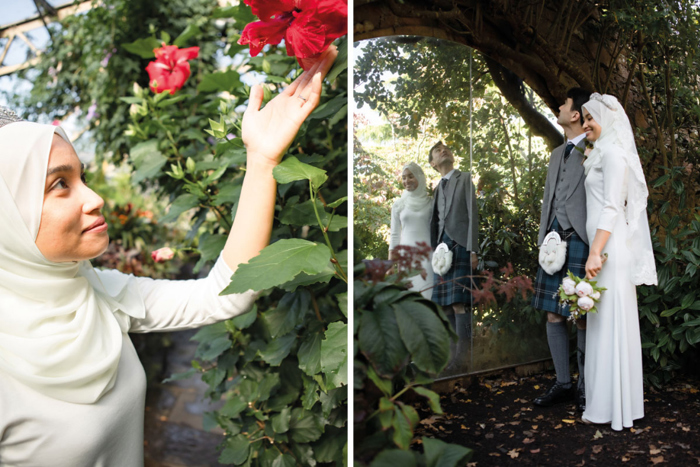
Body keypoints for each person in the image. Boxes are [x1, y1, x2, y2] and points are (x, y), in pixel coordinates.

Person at [0, 48, 337, 466]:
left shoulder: (96, 292)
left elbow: (225, 294)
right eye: (59, 185)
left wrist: (262, 160)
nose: (96, 198)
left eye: (81, 176)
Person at [579, 93, 657, 430]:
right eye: (582, 119)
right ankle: (607, 406)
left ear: (607, 119)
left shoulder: (613, 153)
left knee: (609, 324)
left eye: (589, 118)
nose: (585, 125)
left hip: (609, 250)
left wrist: (595, 252)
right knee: (602, 325)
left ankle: (613, 409)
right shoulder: (601, 153)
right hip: (604, 248)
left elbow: (611, 206)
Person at [531, 88, 591, 412]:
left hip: (581, 238)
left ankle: (585, 387)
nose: (558, 106)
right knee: (554, 313)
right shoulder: (556, 154)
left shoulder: (594, 150)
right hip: (553, 241)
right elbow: (548, 200)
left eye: (564, 103)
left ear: (576, 114)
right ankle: (563, 383)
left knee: (580, 316)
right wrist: (542, 237)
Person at [428, 141, 478, 371]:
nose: (444, 150)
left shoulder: (465, 178)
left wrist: (473, 249)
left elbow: (473, 216)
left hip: (460, 245)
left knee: (459, 303)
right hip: (441, 251)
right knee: (445, 307)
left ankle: (464, 358)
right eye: (438, 151)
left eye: (446, 148)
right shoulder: (437, 188)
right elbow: (435, 222)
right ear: (433, 163)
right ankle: (449, 359)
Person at [389, 162, 433, 299]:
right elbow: (394, 236)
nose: (406, 181)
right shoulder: (398, 205)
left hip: (427, 258)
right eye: (403, 177)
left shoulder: (431, 202)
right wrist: (391, 265)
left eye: (410, 176)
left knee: (427, 298)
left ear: (419, 177)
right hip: (406, 258)